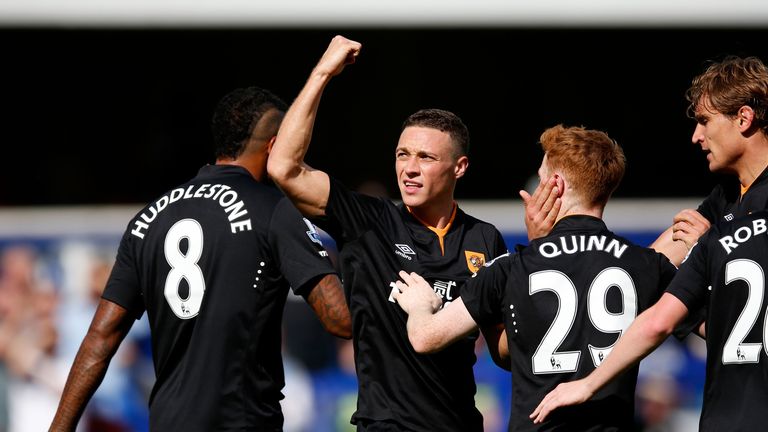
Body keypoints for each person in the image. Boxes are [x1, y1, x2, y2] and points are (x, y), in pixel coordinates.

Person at [49, 86, 351, 432]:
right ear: (274, 146)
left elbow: (100, 339)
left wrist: (59, 428)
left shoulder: (148, 220)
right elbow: (340, 320)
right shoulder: (274, 212)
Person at [267, 35, 509, 431]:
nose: (409, 168)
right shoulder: (369, 221)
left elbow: (501, 351)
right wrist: (324, 72)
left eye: (426, 157)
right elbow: (284, 169)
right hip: (386, 425)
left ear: (459, 167)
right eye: (402, 154)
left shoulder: (485, 239)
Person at [392, 124, 678, 431]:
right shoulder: (644, 265)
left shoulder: (513, 267)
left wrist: (421, 306)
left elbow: (426, 338)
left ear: (555, 185)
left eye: (541, 179)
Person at [530, 207, 768, 432]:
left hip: (734, 414)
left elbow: (658, 323)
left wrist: (588, 384)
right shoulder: (726, 222)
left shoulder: (721, 236)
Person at [650, 55, 768, 268]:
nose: (696, 137)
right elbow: (650, 264)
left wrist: (709, 249)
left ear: (743, 118)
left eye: (705, 121)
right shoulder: (727, 193)